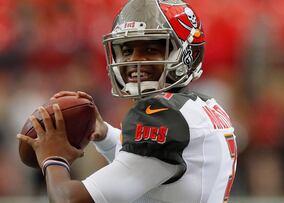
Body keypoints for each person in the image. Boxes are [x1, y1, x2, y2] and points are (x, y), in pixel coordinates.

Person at [17, 0, 237, 202]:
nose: (133, 61)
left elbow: (68, 199)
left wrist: (54, 158)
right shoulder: (203, 106)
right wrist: (103, 134)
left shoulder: (163, 115)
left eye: (150, 49)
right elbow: (143, 166)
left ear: (185, 53)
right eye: (127, 50)